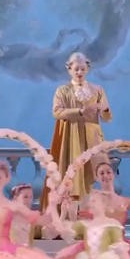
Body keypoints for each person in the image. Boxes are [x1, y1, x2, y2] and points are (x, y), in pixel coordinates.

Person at [39, 52, 112, 217]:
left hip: (92, 138)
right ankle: (69, 216)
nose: (79, 72)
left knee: (92, 175)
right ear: (69, 69)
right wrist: (79, 111)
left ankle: (89, 214)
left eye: (82, 69)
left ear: (87, 69)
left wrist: (104, 109)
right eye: (76, 69)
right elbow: (57, 112)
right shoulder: (63, 91)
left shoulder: (97, 90)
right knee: (73, 175)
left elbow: (107, 117)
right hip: (71, 138)